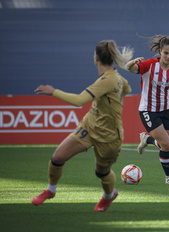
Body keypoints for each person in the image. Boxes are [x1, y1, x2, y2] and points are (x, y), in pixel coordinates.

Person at [31, 40, 133, 212]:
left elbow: (79, 101)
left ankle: (109, 195)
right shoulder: (116, 77)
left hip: (109, 136)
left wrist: (52, 91)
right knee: (57, 158)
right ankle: (50, 190)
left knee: (101, 172)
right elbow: (128, 89)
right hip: (89, 126)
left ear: (96, 58)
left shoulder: (108, 80)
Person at [126, 35, 169, 184]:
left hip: (166, 110)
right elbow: (129, 68)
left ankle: (147, 139)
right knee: (165, 144)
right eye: (166, 53)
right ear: (160, 52)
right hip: (148, 110)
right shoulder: (150, 65)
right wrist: (132, 62)